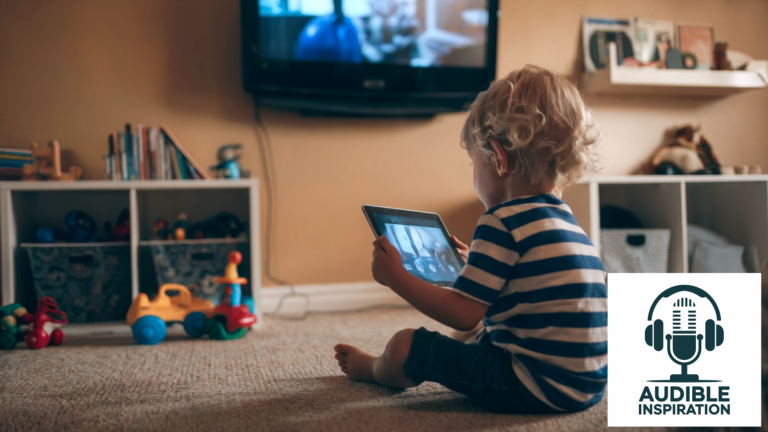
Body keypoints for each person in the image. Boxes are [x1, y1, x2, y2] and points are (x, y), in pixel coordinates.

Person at [334, 65, 605, 413]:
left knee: (407, 345)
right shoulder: (565, 220)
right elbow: (524, 297)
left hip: (535, 384)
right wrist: (473, 268)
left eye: (473, 162)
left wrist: (396, 278)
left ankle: (373, 369)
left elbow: (462, 314)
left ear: (498, 158)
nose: (475, 174)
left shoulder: (502, 220)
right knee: (480, 332)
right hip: (586, 385)